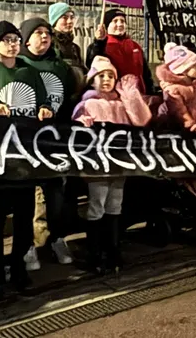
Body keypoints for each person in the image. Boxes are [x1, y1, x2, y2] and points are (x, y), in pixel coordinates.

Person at [0, 20, 54, 300]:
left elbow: (43, 100)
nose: (13, 44)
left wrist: (44, 109)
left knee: (23, 217)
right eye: (7, 40)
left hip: (24, 157)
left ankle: (18, 266)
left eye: (16, 39)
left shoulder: (29, 72)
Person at [72, 56, 151, 274]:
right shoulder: (87, 103)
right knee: (97, 203)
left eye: (110, 76)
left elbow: (142, 120)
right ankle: (95, 253)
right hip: (97, 165)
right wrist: (81, 123)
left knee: (115, 203)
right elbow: (76, 132)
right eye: (101, 76)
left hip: (119, 163)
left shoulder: (120, 104)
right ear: (92, 80)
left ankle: (113, 250)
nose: (106, 80)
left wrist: (131, 95)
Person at [18, 17, 75, 269]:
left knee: (55, 192)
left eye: (47, 33)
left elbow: (70, 98)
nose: (44, 37)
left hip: (55, 138)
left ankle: (57, 238)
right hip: (27, 139)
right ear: (25, 39)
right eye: (38, 32)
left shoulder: (59, 66)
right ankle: (30, 243)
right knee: (30, 194)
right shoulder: (19, 64)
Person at [85, 8, 154, 93]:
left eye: (122, 21)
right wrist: (98, 42)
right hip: (114, 95)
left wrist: (151, 92)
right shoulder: (101, 45)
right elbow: (92, 63)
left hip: (138, 94)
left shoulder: (135, 46)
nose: (120, 24)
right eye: (115, 21)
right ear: (106, 25)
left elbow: (146, 74)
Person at [48, 2, 86, 92]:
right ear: (55, 21)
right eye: (64, 18)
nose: (69, 21)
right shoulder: (49, 44)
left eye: (72, 17)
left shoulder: (75, 48)